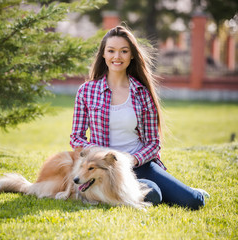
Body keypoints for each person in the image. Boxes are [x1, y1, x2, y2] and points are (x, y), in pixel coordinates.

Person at [69, 26, 209, 210]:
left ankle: (178, 189)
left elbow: (153, 142)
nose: (117, 57)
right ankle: (147, 189)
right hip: (105, 170)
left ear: (132, 55)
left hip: (140, 165)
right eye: (111, 51)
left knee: (194, 201)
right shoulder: (86, 91)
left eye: (124, 51)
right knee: (154, 194)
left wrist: (133, 160)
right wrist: (96, 152)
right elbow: (76, 138)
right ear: (103, 54)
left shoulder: (142, 93)